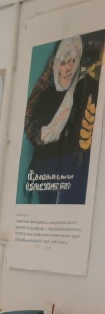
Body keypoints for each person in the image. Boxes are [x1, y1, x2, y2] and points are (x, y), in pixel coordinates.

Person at [23, 35, 98, 205]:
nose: (69, 67)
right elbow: (39, 135)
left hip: (72, 172)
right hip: (46, 171)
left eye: (72, 60)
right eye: (64, 63)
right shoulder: (46, 95)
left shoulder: (85, 89)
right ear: (56, 66)